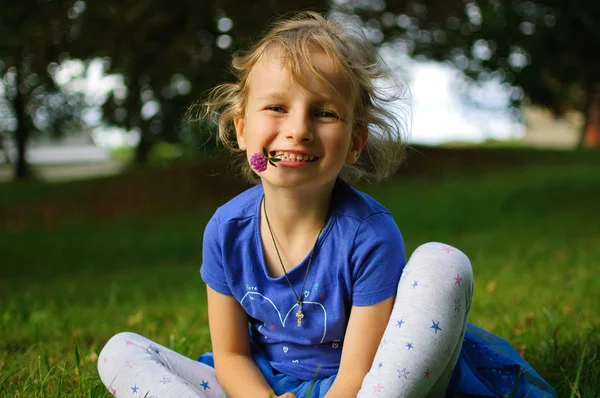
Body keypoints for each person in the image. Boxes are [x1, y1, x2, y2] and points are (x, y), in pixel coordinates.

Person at [97, 11, 556, 398]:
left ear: (355, 142)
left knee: (442, 261)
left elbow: (360, 370)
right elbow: (233, 355)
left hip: (376, 382)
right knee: (120, 350)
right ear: (241, 129)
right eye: (276, 107)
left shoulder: (368, 234)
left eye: (324, 113)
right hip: (262, 385)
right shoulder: (226, 230)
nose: (298, 129)